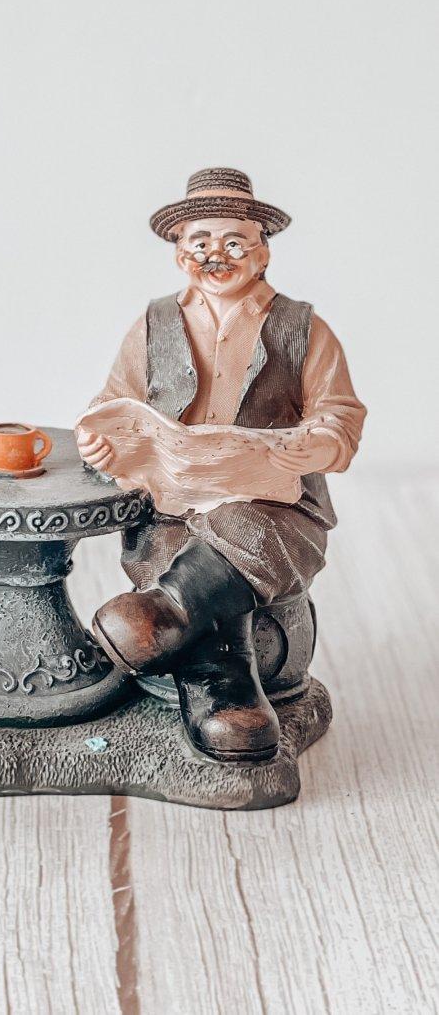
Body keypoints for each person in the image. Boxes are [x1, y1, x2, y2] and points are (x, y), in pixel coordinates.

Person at [77, 168, 365, 762]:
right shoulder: (153, 323)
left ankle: (165, 613)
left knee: (238, 530)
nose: (216, 255)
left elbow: (339, 412)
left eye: (234, 242)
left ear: (263, 251)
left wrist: (318, 445)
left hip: (275, 505)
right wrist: (102, 444)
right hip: (171, 503)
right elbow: (112, 402)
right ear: (178, 252)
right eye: (200, 241)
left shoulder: (302, 327)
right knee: (173, 546)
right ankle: (224, 689)